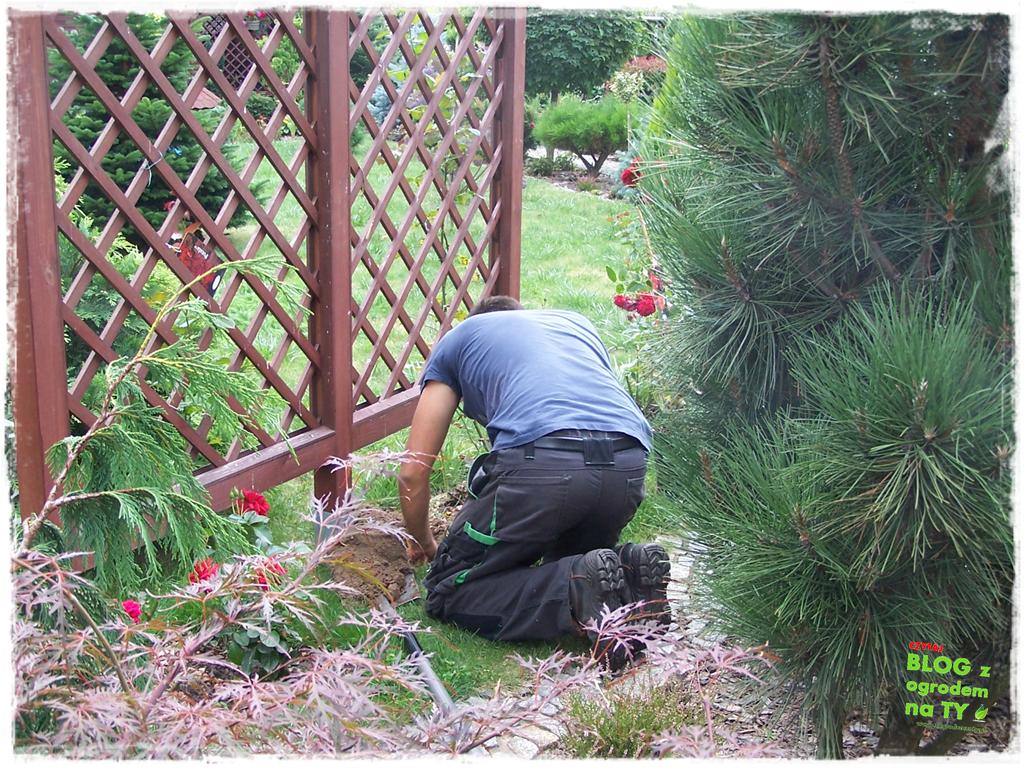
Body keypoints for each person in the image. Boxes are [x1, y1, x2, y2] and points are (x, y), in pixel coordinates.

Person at [397, 295, 670, 659]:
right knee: (574, 559)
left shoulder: (460, 337)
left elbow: (413, 471)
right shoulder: (575, 325)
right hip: (628, 462)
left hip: (544, 462)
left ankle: (576, 587)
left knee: (449, 590)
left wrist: (425, 542)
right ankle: (629, 573)